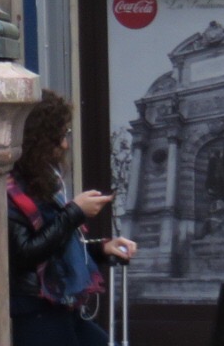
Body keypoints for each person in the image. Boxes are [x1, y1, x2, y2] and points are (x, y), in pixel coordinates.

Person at [9, 91, 139, 344]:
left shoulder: (42, 181)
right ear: (38, 139)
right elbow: (25, 253)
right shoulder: (11, 190)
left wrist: (102, 249)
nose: (65, 145)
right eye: (59, 136)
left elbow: (54, 248)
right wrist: (75, 213)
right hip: (33, 309)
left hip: (57, 304)